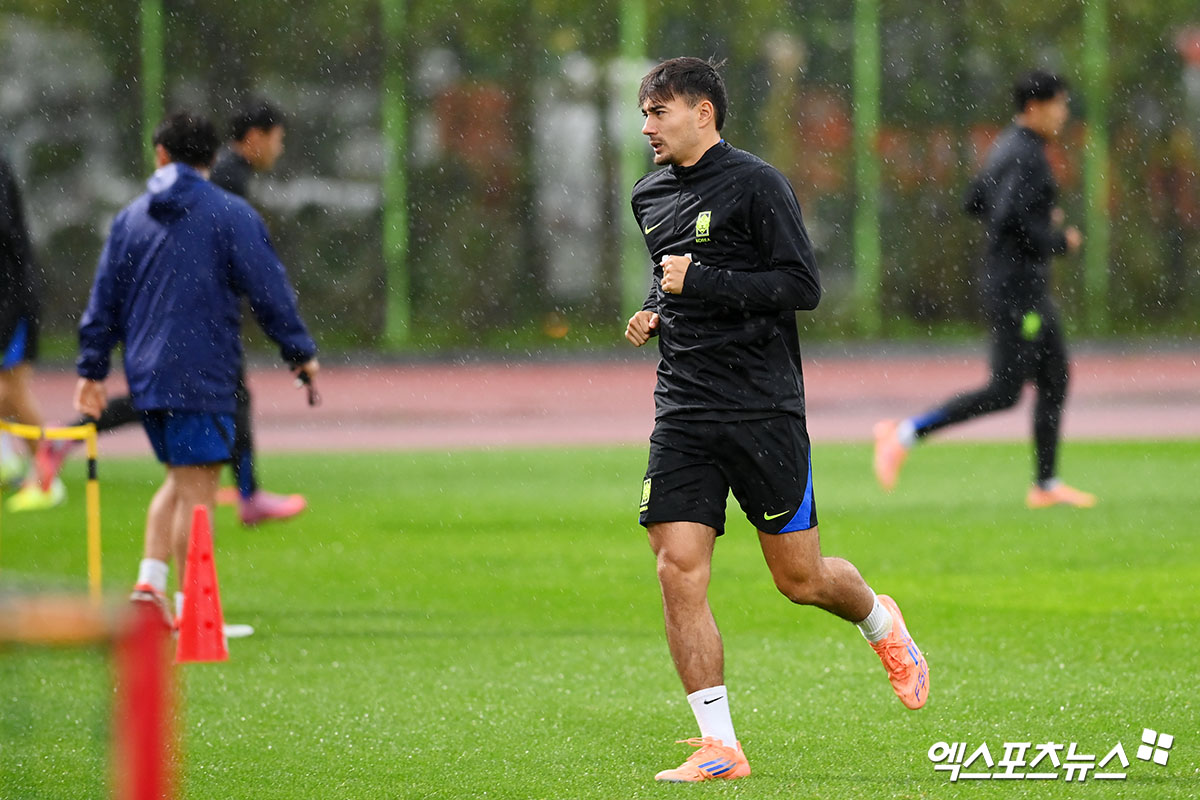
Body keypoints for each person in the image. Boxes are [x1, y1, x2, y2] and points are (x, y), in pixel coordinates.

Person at [624, 57, 928, 784]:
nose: (647, 127)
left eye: (659, 112)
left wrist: (701, 281)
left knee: (801, 579)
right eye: (644, 114)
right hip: (684, 409)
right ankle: (720, 745)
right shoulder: (648, 193)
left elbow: (800, 286)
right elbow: (670, 277)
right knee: (676, 568)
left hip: (763, 410)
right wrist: (655, 309)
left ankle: (880, 621)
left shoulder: (758, 184)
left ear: (703, 113)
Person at [74, 111, 318, 625]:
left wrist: (91, 371)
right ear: (212, 155)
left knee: (181, 480)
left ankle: (149, 589)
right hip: (201, 371)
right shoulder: (231, 214)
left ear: (161, 154)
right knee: (198, 492)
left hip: (146, 373)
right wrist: (298, 350)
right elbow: (268, 289)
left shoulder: (131, 217)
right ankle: (194, 613)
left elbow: (104, 301)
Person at [44, 100, 305, 526]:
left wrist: (93, 362)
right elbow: (248, 270)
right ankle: (245, 496)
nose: (280, 148)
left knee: (176, 408)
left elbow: (109, 293)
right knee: (196, 420)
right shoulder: (224, 186)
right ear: (253, 138)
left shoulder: (141, 211)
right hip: (195, 328)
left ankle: (242, 495)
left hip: (169, 327)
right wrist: (295, 344)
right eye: (278, 139)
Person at [873, 70, 1096, 510]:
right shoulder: (1027, 154)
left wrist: (1033, 216)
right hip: (1018, 292)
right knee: (1005, 391)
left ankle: (1046, 485)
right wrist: (1058, 240)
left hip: (1020, 286)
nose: (1064, 113)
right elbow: (1009, 218)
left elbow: (975, 201)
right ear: (1035, 107)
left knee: (1055, 377)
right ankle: (904, 433)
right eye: (1060, 104)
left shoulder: (1006, 145)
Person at [0, 151, 65, 510]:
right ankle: (11, 463)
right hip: (10, 296)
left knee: (13, 390)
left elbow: (6, 230)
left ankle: (47, 479)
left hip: (14, 300)